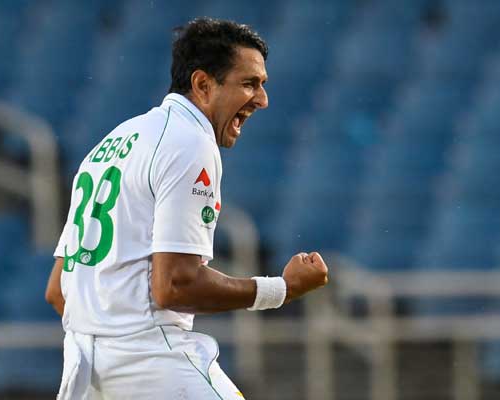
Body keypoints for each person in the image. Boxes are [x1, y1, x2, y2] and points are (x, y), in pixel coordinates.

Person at [45, 17, 329, 400]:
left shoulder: (111, 144)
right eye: (249, 83)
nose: (262, 99)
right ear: (202, 84)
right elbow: (176, 285)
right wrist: (282, 289)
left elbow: (58, 291)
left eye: (261, 85)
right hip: (151, 364)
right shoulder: (189, 141)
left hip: (87, 371)